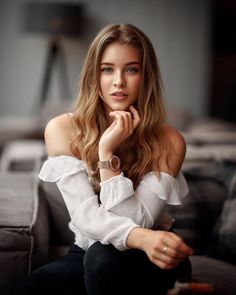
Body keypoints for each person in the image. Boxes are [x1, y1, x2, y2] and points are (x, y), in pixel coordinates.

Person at [22, 23, 193, 295]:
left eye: (132, 69)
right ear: (94, 74)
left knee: (104, 259)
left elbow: (136, 221)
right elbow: (85, 217)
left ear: (145, 76)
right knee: (36, 287)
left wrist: (106, 157)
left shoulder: (170, 141)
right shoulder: (62, 129)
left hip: (151, 257)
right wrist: (105, 148)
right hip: (90, 248)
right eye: (107, 69)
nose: (119, 82)